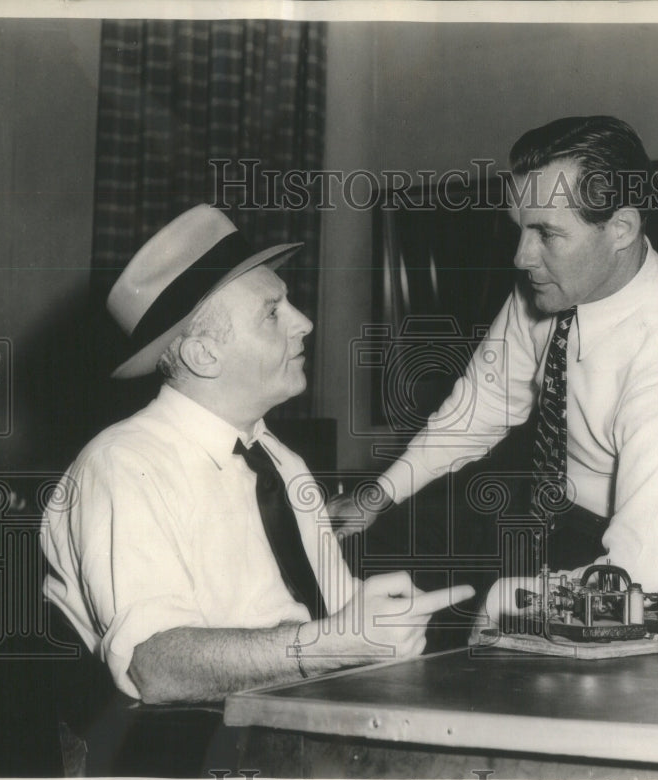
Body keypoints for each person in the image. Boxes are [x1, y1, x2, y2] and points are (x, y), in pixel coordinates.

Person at [41, 204, 472, 705]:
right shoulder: (122, 466)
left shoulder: (280, 461)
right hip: (185, 753)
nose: (305, 323)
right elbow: (154, 667)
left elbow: (331, 619)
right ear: (203, 355)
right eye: (272, 313)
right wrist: (328, 645)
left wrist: (380, 621)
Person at [330, 116, 658, 601]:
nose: (521, 257)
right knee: (355, 563)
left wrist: (502, 607)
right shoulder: (553, 284)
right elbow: (482, 405)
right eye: (519, 229)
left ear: (621, 228)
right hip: (534, 513)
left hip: (611, 552)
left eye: (546, 234)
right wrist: (378, 496)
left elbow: (644, 579)